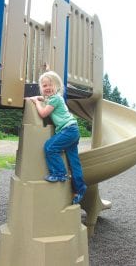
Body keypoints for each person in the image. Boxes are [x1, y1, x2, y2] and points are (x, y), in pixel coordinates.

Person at [30, 70, 87, 205]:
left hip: (68, 130)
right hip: (73, 130)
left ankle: (59, 173)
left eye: (50, 85)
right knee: (74, 162)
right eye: (44, 86)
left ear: (57, 87)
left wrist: (35, 101)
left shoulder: (55, 99)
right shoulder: (53, 99)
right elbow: (46, 99)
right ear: (41, 88)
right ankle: (80, 188)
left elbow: (43, 113)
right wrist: (40, 98)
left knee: (50, 147)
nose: (48, 88)